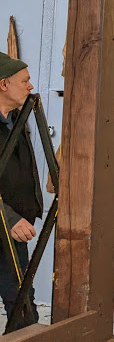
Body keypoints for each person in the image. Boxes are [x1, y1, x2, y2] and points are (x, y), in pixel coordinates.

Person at [0, 52, 43, 331]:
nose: (31, 85)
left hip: (14, 229)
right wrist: (10, 219)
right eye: (24, 80)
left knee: (22, 304)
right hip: (8, 222)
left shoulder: (18, 117)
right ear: (3, 84)